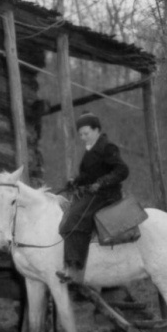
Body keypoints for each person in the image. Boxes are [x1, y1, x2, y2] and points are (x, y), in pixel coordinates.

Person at [57, 112, 130, 284]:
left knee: (75, 217)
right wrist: (75, 181)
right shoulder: (90, 151)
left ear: (97, 130)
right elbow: (87, 175)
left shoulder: (107, 148)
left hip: (106, 195)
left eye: (86, 133)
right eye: (81, 134)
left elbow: (122, 170)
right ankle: (71, 263)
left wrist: (102, 182)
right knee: (69, 213)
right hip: (95, 193)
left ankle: (75, 269)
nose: (83, 137)